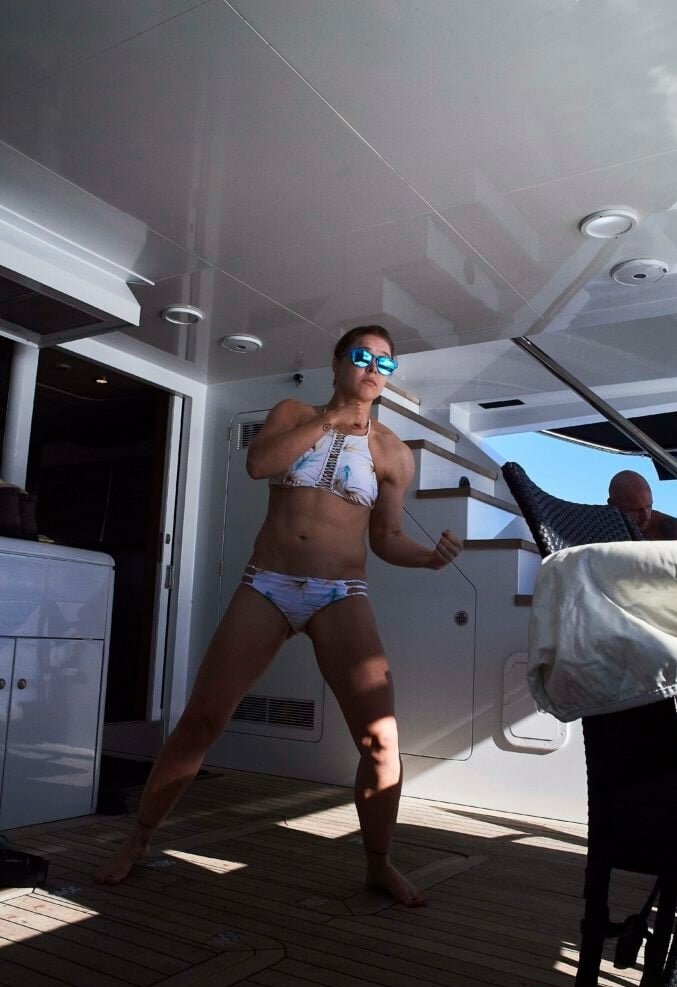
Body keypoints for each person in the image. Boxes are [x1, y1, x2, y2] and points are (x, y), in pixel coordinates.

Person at [95, 325, 463, 905]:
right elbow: (258, 464)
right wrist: (330, 419)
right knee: (202, 720)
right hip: (266, 584)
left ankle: (379, 863)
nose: (374, 368)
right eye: (363, 357)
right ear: (337, 363)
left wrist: (429, 559)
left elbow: (387, 538)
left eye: (386, 363)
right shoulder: (293, 413)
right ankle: (137, 839)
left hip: (341, 592)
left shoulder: (394, 453)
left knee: (380, 740)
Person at [608, 469, 677, 539]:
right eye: (635, 510)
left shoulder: (667, 528)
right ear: (613, 505)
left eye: (649, 506)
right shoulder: (605, 527)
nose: (646, 517)